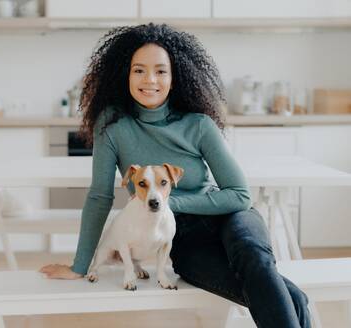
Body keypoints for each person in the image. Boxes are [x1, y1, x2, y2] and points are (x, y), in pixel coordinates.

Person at [40, 23, 310, 327]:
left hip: (231, 217)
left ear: (174, 76)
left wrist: (171, 202)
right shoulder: (113, 125)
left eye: (161, 71)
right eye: (139, 70)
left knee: (254, 259)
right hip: (181, 238)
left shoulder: (199, 124)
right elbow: (100, 196)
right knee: (294, 299)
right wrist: (79, 265)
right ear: (124, 74)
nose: (150, 80)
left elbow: (239, 194)